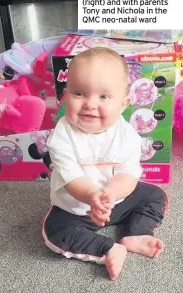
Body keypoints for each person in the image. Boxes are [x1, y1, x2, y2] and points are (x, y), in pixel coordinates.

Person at [43, 47, 166, 281]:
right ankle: (107, 248)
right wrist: (93, 197)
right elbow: (72, 179)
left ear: (123, 104)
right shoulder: (61, 135)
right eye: (78, 93)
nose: (89, 104)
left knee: (154, 196)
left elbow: (128, 176)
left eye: (104, 97)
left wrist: (110, 194)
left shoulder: (128, 134)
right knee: (54, 232)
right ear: (65, 94)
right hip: (77, 209)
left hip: (117, 200)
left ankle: (137, 233)